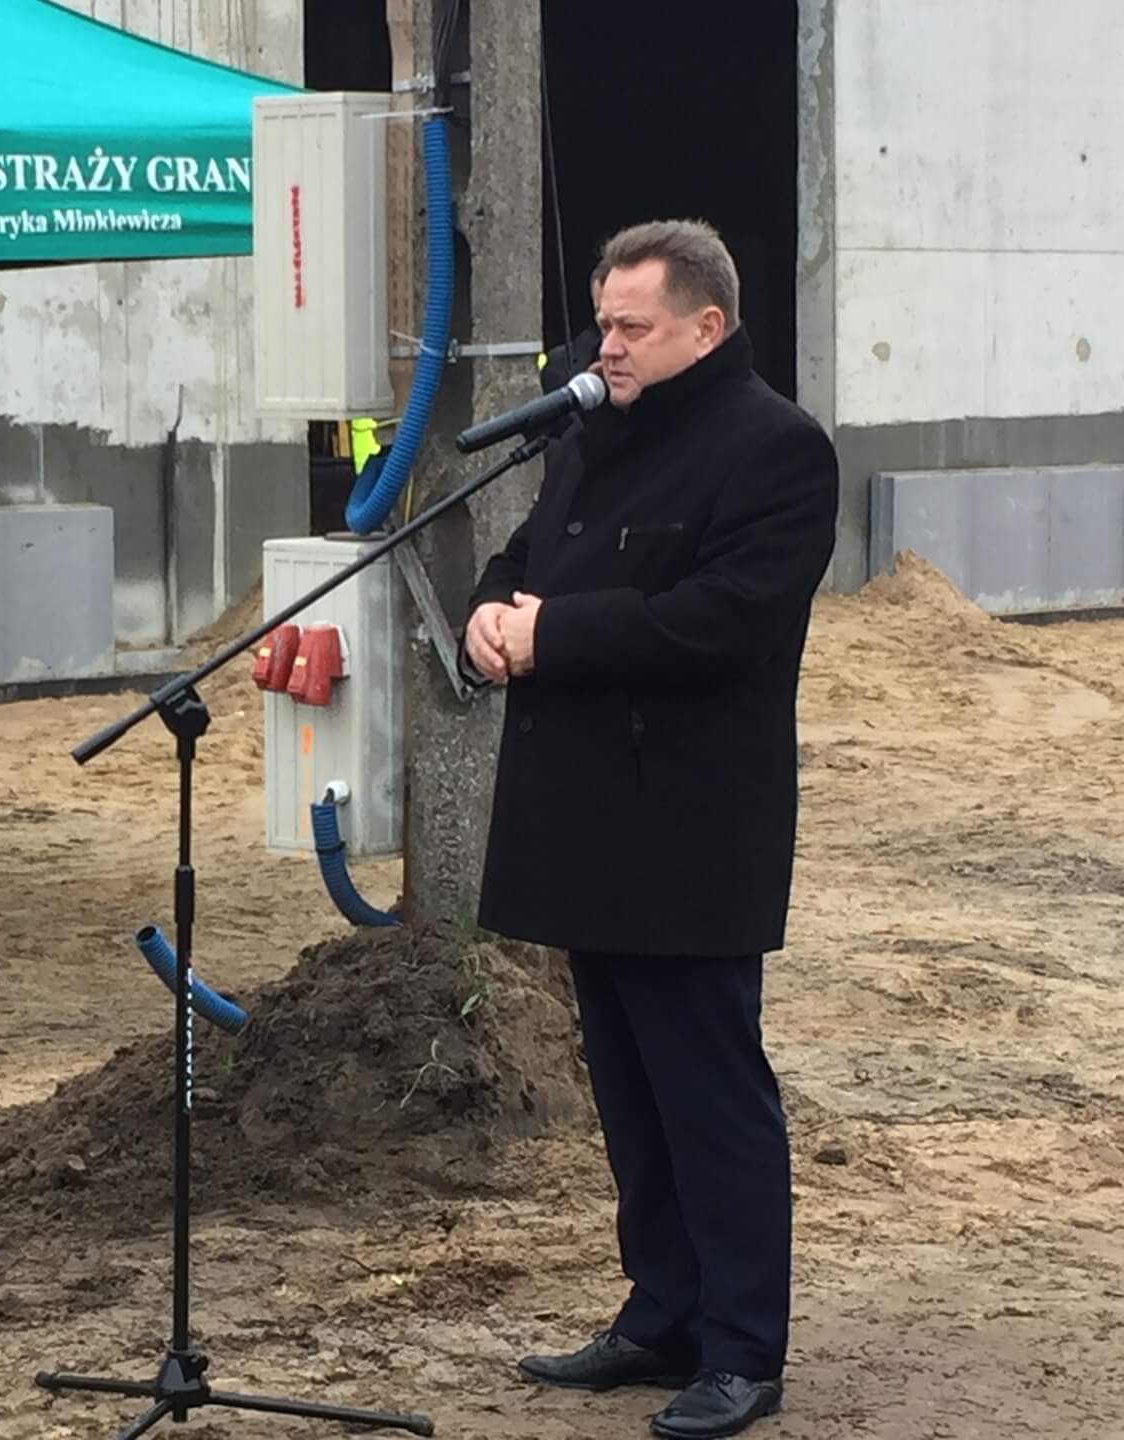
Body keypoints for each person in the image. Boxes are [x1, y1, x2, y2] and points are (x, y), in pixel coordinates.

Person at [463, 220, 838, 1440]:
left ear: (707, 327)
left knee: (709, 1094)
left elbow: (725, 618)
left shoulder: (776, 450)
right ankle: (661, 1312)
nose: (606, 347)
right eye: (603, 322)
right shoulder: (593, 434)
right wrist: (488, 614)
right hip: (586, 819)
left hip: (689, 829)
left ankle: (741, 1346)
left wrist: (553, 635)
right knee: (628, 1091)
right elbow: (527, 554)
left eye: (632, 327)